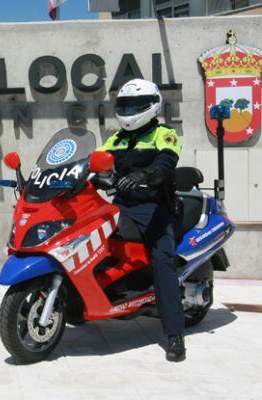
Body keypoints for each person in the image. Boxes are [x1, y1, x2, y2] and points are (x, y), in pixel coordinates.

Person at [97, 78, 186, 362]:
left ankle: (175, 335)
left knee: (163, 260)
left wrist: (146, 176)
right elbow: (93, 161)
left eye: (135, 105)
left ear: (152, 106)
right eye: (125, 105)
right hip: (121, 205)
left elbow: (166, 163)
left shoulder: (164, 133)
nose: (129, 110)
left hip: (155, 207)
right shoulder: (116, 138)